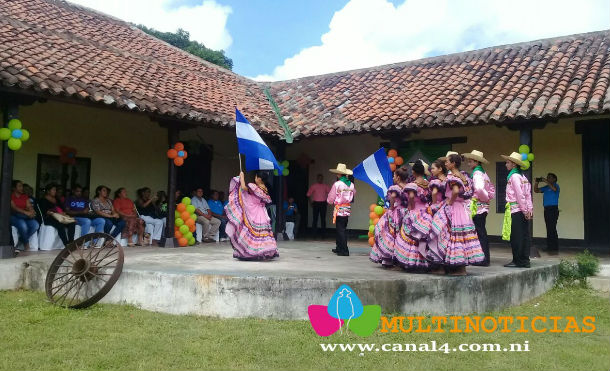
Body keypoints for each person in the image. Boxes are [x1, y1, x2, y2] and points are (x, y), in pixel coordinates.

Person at [429, 154, 485, 275]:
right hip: (462, 209)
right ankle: (459, 267)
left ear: (453, 164)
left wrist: (451, 200)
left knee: (453, 235)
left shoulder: (453, 176)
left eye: (447, 162)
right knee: (462, 237)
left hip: (454, 208)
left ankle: (457, 268)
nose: (445, 164)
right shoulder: (463, 176)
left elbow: (455, 191)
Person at [225, 171, 279, 260]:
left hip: (253, 210)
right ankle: (262, 251)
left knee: (253, 231)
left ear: (259, 179)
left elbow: (243, 188)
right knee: (261, 233)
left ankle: (252, 252)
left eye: (256, 177)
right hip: (261, 211)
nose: (255, 179)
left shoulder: (254, 187)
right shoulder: (265, 189)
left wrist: (242, 177)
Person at [394, 161, 432, 271]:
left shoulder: (413, 185)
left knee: (410, 237)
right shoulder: (427, 183)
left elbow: (411, 196)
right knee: (420, 238)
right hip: (425, 213)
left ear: (414, 172)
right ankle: (420, 262)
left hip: (414, 211)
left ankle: (409, 261)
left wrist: (411, 206)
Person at [370, 166, 409, 268]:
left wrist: (391, 208)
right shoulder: (409, 187)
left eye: (394, 176)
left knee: (390, 234)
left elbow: (392, 200)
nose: (393, 178)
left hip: (396, 212)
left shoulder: (395, 188)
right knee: (402, 236)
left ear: (398, 177)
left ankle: (389, 259)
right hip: (406, 212)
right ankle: (400, 259)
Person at [463, 150, 495, 266]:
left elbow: (479, 189)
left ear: (476, 162)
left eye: (470, 161)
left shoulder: (477, 174)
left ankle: (483, 259)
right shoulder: (484, 174)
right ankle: (483, 258)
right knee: (481, 232)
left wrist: (484, 198)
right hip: (483, 207)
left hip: (478, 207)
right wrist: (488, 198)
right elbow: (491, 190)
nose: (469, 164)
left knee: (479, 232)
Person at [501, 152, 534, 268]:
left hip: (516, 210)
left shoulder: (514, 176)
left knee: (516, 236)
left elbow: (520, 195)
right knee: (524, 235)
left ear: (514, 164)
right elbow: (528, 195)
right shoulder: (523, 177)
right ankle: (525, 260)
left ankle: (518, 260)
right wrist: (529, 209)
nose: (506, 164)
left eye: (508, 162)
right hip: (523, 209)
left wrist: (525, 210)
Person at [327, 163, 356, 257]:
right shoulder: (351, 184)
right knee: (341, 228)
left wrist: (329, 201)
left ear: (339, 174)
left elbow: (331, 197)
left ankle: (344, 250)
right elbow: (354, 193)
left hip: (339, 208)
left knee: (340, 229)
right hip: (347, 208)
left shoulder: (337, 184)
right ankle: (339, 247)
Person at [10, 180, 39, 251]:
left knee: (35, 225)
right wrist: (26, 213)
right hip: (13, 216)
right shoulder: (10, 195)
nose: (22, 188)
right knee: (23, 225)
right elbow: (14, 208)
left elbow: (29, 206)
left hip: (23, 216)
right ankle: (26, 244)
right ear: (14, 188)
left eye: (22, 186)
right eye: (19, 186)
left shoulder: (24, 196)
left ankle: (21, 240)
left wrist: (32, 211)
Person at [534, 173, 560, 254]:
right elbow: (536, 190)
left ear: (554, 179)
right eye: (547, 177)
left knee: (552, 228)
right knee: (549, 228)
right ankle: (550, 247)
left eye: (550, 178)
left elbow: (554, 189)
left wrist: (545, 181)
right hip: (547, 209)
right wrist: (536, 182)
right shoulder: (546, 187)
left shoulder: (556, 186)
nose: (548, 179)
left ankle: (554, 247)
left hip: (553, 209)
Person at [306, 174, 331, 238]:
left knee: (323, 219)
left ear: (322, 179)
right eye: (319, 178)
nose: (320, 179)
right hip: (316, 203)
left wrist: (328, 201)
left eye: (321, 178)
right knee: (315, 219)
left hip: (323, 203)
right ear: (317, 179)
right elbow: (308, 195)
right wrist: (310, 203)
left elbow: (331, 194)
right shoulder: (313, 186)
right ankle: (314, 234)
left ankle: (323, 235)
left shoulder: (325, 186)